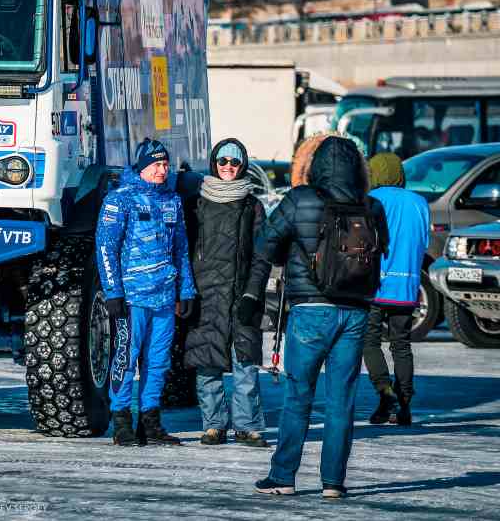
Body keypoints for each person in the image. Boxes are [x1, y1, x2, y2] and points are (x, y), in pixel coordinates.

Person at [241, 134, 388, 499]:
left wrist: (253, 294)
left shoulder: (300, 199)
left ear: (316, 166)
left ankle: (283, 476)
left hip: (310, 310)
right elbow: (380, 250)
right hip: (355, 312)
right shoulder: (370, 205)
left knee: (298, 396)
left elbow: (265, 247)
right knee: (342, 400)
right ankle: (333, 482)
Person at [96, 138, 197, 446]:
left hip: (164, 297)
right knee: (126, 359)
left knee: (158, 362)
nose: (162, 170)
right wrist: (113, 292)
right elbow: (106, 247)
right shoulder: (119, 199)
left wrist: (186, 290)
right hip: (132, 297)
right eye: (156, 165)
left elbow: (181, 248)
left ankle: (150, 422)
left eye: (165, 165)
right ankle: (121, 421)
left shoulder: (172, 200)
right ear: (142, 167)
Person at [184, 138, 270, 448]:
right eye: (223, 161)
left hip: (242, 294)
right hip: (206, 294)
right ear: (214, 163)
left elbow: (262, 255)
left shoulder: (252, 205)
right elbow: (184, 250)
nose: (229, 167)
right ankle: (213, 425)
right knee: (207, 361)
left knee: (245, 363)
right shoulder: (197, 204)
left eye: (235, 162)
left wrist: (253, 293)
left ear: (243, 165)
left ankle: (247, 426)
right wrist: (186, 292)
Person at [363, 152, 430, 427]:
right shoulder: (420, 202)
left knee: (369, 340)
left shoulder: (371, 199)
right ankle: (404, 405)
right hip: (407, 285)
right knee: (401, 344)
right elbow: (425, 242)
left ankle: (385, 392)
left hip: (376, 284)